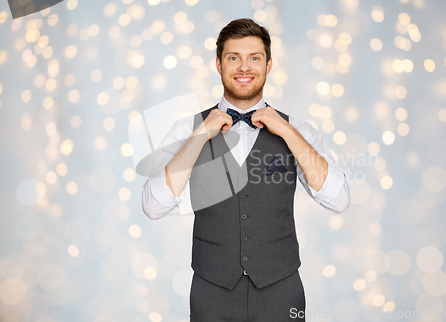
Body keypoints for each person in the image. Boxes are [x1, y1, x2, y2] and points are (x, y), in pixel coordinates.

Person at [142, 18, 351, 322]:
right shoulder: (187, 129)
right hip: (211, 291)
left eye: (254, 58)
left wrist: (287, 132)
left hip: (280, 290)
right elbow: (152, 206)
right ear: (218, 64)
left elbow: (339, 199)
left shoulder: (298, 130)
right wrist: (199, 137)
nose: (244, 67)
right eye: (233, 58)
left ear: (268, 65)